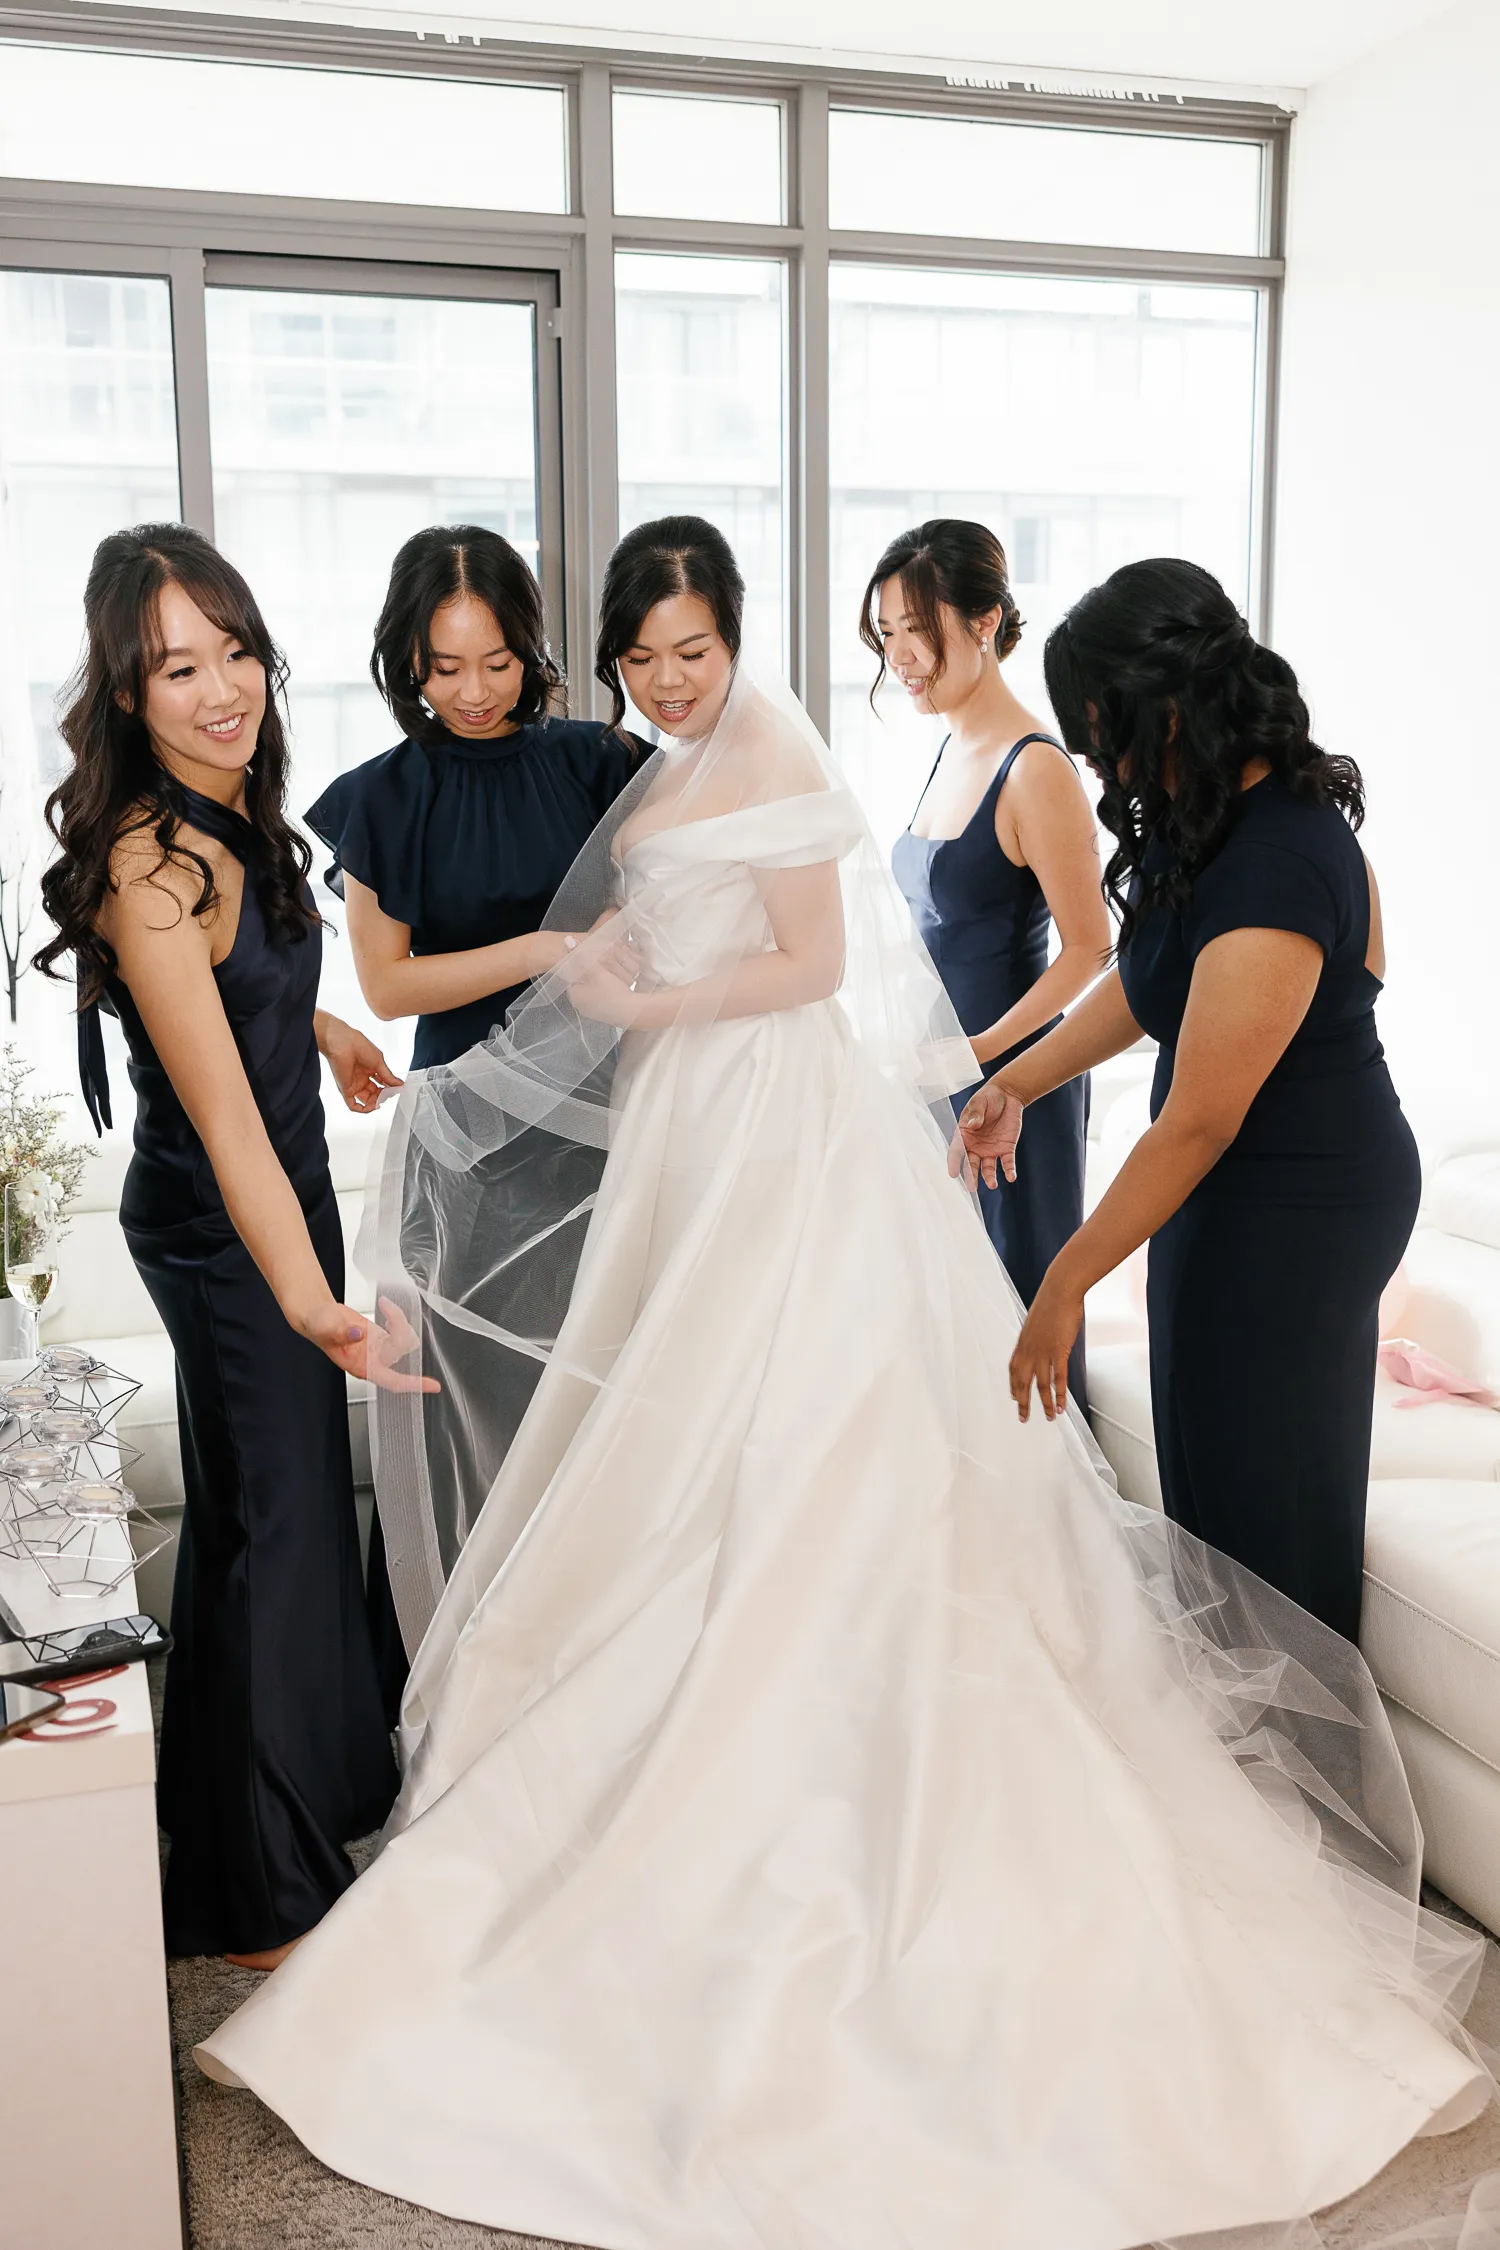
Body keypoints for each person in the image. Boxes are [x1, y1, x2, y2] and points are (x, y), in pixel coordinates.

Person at [196, 522, 1490, 2250]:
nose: (670, 679)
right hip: (696, 1132)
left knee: (836, 1436)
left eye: (694, 649)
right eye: (642, 656)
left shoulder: (844, 764)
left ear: (737, 638)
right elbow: (1131, 992)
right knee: (681, 1441)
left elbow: (825, 971)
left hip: (800, 1127)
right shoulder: (645, 770)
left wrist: (669, 1004)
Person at [35, 524, 432, 1970]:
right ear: (125, 692)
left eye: (237, 652)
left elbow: (226, 992)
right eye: (177, 668)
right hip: (224, 1223)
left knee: (260, 1516)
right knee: (278, 1524)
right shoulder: (151, 863)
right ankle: (260, 1899)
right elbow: (221, 1120)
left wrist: (316, 1026)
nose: (222, 690)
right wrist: (316, 1305)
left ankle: (232, 1830)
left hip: (268, 1197)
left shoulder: (226, 813)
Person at [954, 557, 1415, 1646]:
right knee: (1207, 1477)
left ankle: (1305, 1748)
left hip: (1304, 1206)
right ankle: (1239, 1727)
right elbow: (1149, 981)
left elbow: (1199, 1118)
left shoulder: (1282, 859)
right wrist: (1016, 1079)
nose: (1087, 750)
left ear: (1160, 704)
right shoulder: (1205, 814)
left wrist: (1065, 1279)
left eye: (1096, 722)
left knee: (1266, 1501)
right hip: (1224, 1191)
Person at [873, 520, 1109, 1405]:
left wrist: (978, 1056)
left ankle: (1054, 1486)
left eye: (917, 628)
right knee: (942, 1315)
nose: (899, 656)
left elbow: (1089, 947)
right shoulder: (949, 745)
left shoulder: (1035, 767)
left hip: (1015, 1078)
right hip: (937, 1068)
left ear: (985, 621)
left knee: (1019, 1298)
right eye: (886, 633)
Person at [306, 523, 645, 1070]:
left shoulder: (603, 760)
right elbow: (386, 989)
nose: (475, 692)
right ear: (409, 658)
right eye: (446, 669)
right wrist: (544, 950)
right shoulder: (380, 797)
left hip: (609, 1081)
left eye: (498, 664)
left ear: (529, 651)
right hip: (461, 1097)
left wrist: (621, 915)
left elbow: (685, 884)